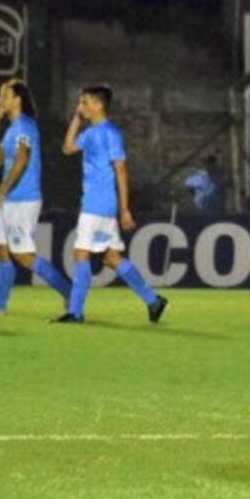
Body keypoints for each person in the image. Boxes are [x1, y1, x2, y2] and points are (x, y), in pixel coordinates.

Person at [56, 85, 168, 324]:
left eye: (84, 102)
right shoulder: (90, 133)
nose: (81, 106)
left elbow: (121, 170)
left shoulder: (110, 133)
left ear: (98, 105)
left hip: (98, 203)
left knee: (81, 254)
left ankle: (75, 312)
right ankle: (153, 300)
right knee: (111, 258)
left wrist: (124, 209)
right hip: (99, 203)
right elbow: (67, 148)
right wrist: (76, 119)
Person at [0, 79, 73, 313]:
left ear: (17, 99)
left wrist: (2, 190)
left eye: (4, 95)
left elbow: (22, 161)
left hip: (23, 198)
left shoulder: (25, 126)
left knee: (23, 255)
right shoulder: (11, 128)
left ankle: (70, 293)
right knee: (3, 251)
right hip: (11, 200)